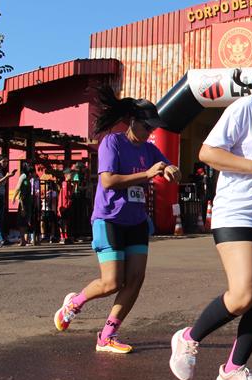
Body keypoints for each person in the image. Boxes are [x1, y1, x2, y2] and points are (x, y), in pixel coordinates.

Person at [169, 47, 252, 380]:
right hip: (237, 212)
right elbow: (208, 153)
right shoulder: (243, 109)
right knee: (244, 294)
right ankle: (188, 337)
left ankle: (233, 368)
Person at [52, 84, 180, 354]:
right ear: (133, 121)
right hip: (109, 219)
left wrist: (171, 170)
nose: (150, 132)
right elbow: (108, 181)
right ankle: (75, 303)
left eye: (153, 128)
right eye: (147, 127)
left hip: (135, 221)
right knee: (112, 283)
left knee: (135, 279)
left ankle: (107, 335)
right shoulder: (113, 142)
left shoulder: (148, 148)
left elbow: (165, 164)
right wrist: (147, 175)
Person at [0, 156, 16, 246]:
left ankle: (1, 239)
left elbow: (1, 183)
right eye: (4, 161)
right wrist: (7, 176)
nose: (6, 163)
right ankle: (0, 239)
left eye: (7, 161)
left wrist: (8, 177)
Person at [13, 161, 34, 246]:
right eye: (33, 173)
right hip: (24, 204)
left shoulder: (27, 180)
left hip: (27, 204)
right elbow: (21, 195)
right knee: (22, 222)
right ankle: (22, 240)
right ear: (30, 173)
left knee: (25, 222)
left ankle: (24, 240)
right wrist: (22, 207)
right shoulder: (25, 181)